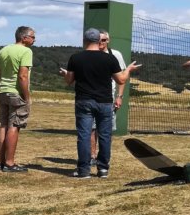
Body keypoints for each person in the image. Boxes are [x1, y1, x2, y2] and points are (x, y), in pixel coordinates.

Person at [59, 28, 140, 179]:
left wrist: (65, 74)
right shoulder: (109, 58)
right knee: (105, 135)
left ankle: (84, 170)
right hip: (104, 102)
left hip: (84, 101)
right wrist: (128, 69)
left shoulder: (75, 58)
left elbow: (69, 80)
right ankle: (103, 169)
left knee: (84, 135)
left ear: (85, 40)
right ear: (99, 40)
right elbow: (121, 80)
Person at [0, 26, 35, 172]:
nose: (34, 40)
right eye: (32, 37)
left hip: (3, 92)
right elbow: (23, 76)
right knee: (14, 126)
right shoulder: (26, 51)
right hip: (16, 93)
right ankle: (10, 163)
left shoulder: (3, 50)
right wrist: (27, 97)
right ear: (24, 38)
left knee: (3, 125)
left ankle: (1, 162)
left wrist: (0, 88)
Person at [90, 30, 127, 159]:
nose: (101, 42)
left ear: (108, 40)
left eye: (104, 40)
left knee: (106, 130)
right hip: (91, 97)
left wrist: (119, 96)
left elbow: (122, 78)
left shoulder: (115, 55)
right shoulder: (90, 54)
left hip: (109, 98)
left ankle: (104, 156)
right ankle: (92, 155)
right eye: (99, 40)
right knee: (91, 129)